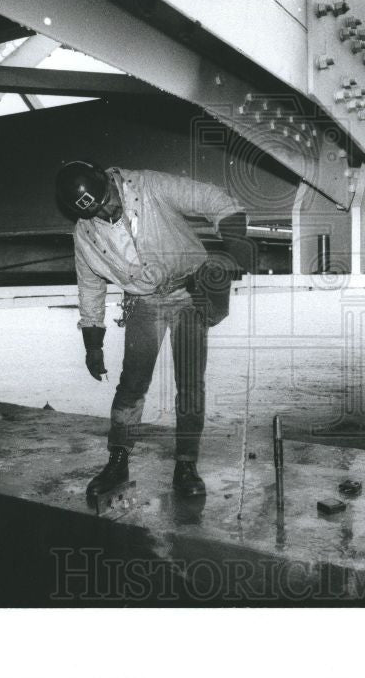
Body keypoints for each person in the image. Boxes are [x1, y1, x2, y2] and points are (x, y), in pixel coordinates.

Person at [55, 160, 248, 499]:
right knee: (131, 385)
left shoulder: (151, 186)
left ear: (109, 179)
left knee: (190, 385)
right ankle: (118, 460)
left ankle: (186, 463)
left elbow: (219, 202)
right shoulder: (85, 235)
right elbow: (89, 287)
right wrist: (93, 344)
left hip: (190, 295)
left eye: (109, 199)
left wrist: (233, 252)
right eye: (98, 211)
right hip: (144, 302)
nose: (109, 209)